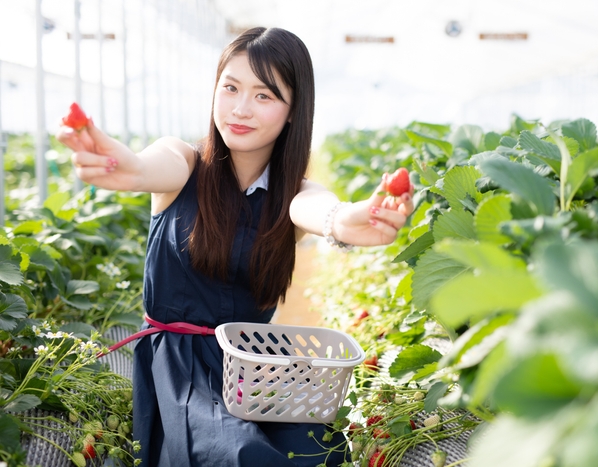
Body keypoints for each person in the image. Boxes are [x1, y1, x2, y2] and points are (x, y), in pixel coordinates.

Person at [57, 27, 414, 467]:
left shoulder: (293, 195)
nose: (241, 109)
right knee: (236, 454)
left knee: (319, 453)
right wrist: (125, 167)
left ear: (293, 111)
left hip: (255, 369)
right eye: (230, 88)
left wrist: (343, 222)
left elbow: (322, 210)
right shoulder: (184, 165)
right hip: (181, 372)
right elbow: (146, 168)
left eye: (264, 95)